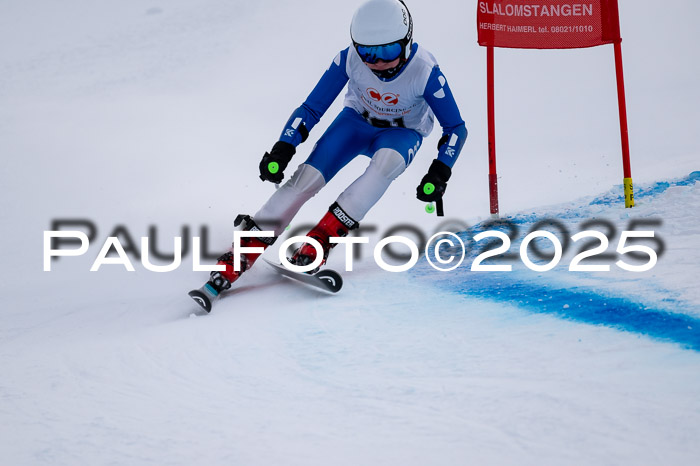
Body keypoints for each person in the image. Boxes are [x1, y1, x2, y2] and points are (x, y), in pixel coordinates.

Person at [207, 0, 467, 295]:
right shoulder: (349, 59)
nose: (377, 62)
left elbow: (456, 128)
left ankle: (321, 238)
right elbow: (312, 108)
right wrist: (283, 147)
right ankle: (244, 249)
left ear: (407, 42)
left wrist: (439, 172)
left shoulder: (425, 70)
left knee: (386, 164)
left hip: (402, 133)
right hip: (354, 124)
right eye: (367, 51)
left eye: (388, 51)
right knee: (305, 179)